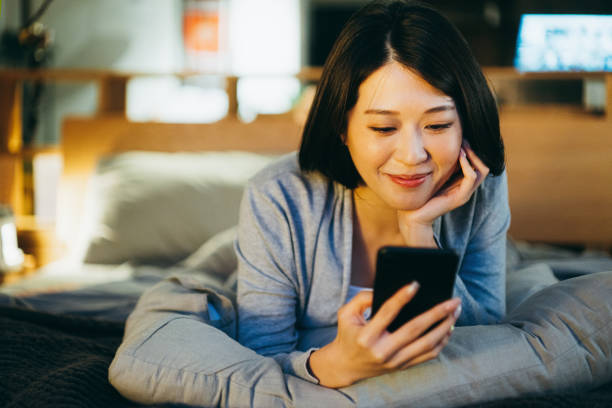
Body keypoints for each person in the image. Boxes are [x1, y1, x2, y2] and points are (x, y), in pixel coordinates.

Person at [236, 0, 509, 389]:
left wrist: (419, 231)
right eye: (383, 129)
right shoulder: (278, 196)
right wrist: (334, 366)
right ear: (343, 128)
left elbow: (489, 338)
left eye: (438, 124)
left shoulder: (482, 186)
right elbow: (257, 360)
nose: (413, 156)